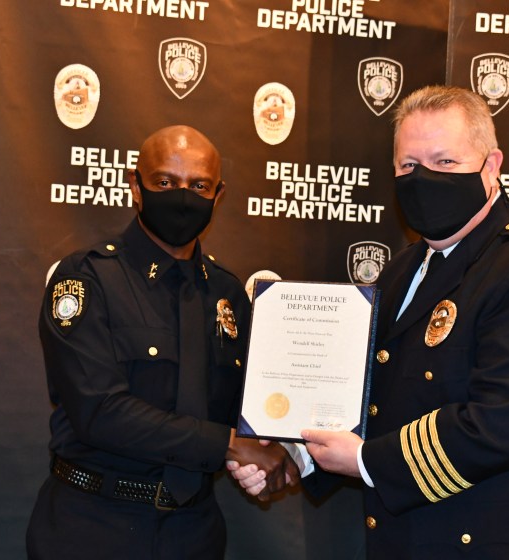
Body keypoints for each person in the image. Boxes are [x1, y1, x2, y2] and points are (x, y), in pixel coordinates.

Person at [229, 86, 509, 559]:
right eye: (408, 165)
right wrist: (296, 456)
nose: (423, 178)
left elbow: (506, 424)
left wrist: (365, 460)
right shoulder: (403, 270)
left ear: (491, 167)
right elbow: (371, 398)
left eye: (445, 162)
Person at [27, 125, 298, 559]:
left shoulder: (227, 293)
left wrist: (277, 457)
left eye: (199, 185)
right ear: (136, 187)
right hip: (94, 527)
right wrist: (228, 445)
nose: (183, 197)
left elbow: (247, 411)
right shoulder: (86, 279)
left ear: (218, 195)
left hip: (194, 533)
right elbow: (99, 411)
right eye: (166, 183)